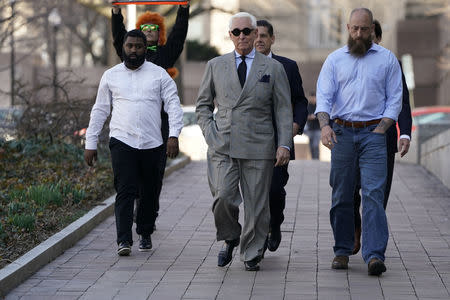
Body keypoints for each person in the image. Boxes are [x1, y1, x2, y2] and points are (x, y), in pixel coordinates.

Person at [196, 12, 293, 271]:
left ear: (255, 34)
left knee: (257, 204)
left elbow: (284, 110)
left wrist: (284, 144)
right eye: (236, 32)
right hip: (223, 143)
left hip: (259, 144)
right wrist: (209, 133)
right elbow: (203, 105)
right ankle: (230, 236)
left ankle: (251, 251)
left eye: (247, 31)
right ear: (230, 35)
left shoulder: (273, 68)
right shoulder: (215, 65)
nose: (242, 36)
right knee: (223, 198)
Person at [315, 8, 403, 276]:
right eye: (354, 29)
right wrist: (325, 126)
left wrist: (382, 129)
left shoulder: (387, 60)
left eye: (364, 29)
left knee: (374, 195)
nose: (359, 34)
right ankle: (342, 250)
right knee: (341, 194)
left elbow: (395, 99)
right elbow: (324, 97)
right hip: (341, 133)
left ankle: (374, 255)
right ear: (347, 28)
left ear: (372, 29)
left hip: (373, 135)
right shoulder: (334, 60)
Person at [84, 30, 183, 256]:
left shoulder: (159, 75)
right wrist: (90, 142)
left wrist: (173, 135)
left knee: (150, 191)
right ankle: (123, 240)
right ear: (123, 48)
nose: (134, 50)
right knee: (125, 190)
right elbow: (100, 110)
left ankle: (145, 232)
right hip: (122, 141)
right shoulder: (111, 76)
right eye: (130, 46)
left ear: (145, 49)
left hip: (153, 143)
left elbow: (173, 106)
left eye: (139, 46)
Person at [352, 19, 413, 255]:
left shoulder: (391, 64)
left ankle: (372, 240)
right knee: (349, 191)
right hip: (351, 138)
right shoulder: (344, 60)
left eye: (371, 36)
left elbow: (403, 103)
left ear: (377, 38)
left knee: (378, 193)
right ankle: (356, 227)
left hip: (383, 140)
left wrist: (404, 132)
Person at [254, 19, 308, 252]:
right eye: (254, 35)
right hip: (251, 140)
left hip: (279, 141)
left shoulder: (287, 66)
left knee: (275, 189)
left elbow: (300, 101)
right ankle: (256, 238)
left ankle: (274, 225)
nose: (258, 40)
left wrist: (295, 126)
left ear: (272, 39)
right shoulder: (242, 67)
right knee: (254, 191)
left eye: (263, 36)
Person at [305, 93, 321, 160]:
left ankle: (316, 158)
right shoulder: (308, 106)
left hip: (317, 128)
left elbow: (321, 116)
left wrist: (315, 117)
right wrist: (310, 117)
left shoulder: (319, 106)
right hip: (310, 128)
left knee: (316, 144)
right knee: (311, 144)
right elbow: (305, 116)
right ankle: (312, 158)